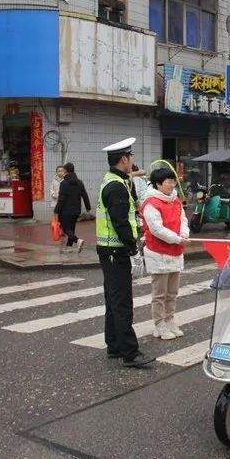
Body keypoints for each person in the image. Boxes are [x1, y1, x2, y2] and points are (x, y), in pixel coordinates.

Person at [97, 137, 154, 368]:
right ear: (123, 159)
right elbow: (121, 222)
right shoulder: (116, 186)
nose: (132, 160)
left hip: (108, 250)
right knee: (122, 302)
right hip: (116, 250)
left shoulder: (112, 181)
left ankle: (114, 345)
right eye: (130, 157)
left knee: (113, 299)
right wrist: (133, 249)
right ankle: (130, 353)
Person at [141, 167, 189, 340]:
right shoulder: (151, 203)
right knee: (160, 293)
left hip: (175, 251)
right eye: (168, 181)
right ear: (158, 184)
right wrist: (176, 238)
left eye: (172, 181)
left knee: (172, 292)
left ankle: (169, 320)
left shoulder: (175, 200)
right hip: (158, 252)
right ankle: (159, 324)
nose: (171, 184)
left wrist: (184, 234)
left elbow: (183, 219)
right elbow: (156, 229)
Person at [54, 162, 91, 252]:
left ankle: (77, 240)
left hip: (65, 211)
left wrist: (56, 210)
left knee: (65, 228)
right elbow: (84, 195)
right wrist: (88, 207)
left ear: (65, 170)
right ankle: (69, 246)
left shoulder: (64, 183)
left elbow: (61, 199)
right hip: (76, 210)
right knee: (71, 228)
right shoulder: (79, 182)